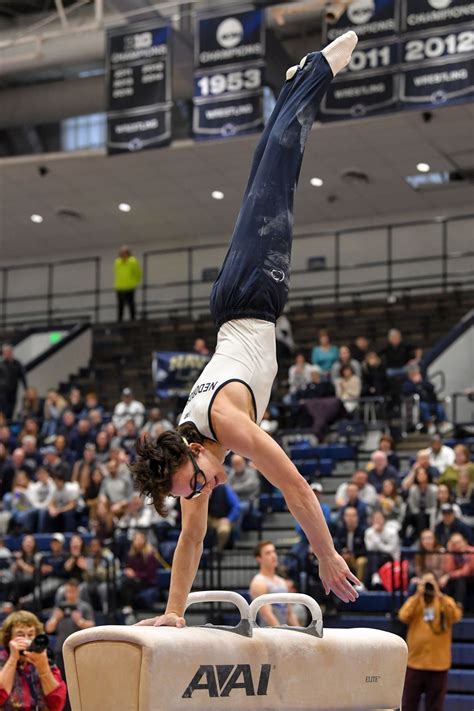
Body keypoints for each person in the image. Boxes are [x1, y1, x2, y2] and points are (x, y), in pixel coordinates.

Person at [132, 32, 361, 629]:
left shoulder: (224, 427)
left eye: (191, 485)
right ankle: (290, 86)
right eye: (189, 491)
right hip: (236, 302)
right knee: (265, 173)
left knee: (280, 171)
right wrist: (174, 612)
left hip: (254, 294)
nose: (196, 492)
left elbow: (296, 489)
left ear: (188, 454)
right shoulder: (197, 453)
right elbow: (190, 543)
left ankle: (315, 72)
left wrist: (327, 554)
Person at [399, 572, 462, 711]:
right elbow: (403, 615)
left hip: (438, 665)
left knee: (435, 707)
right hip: (415, 663)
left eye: (431, 583)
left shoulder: (444, 602)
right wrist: (417, 595)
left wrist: (438, 594)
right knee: (408, 704)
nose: (428, 586)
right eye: (425, 583)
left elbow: (456, 615)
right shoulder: (415, 601)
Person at [0, 609, 67, 710]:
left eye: (31, 635)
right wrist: (12, 659)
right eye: (20, 635)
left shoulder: (45, 659)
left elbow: (57, 703)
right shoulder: (2, 658)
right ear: (9, 638)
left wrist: (43, 667)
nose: (27, 640)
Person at [45, 579, 94, 686]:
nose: (70, 594)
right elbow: (49, 629)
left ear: (78, 591)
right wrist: (55, 619)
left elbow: (92, 626)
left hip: (79, 648)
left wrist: (80, 621)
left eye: (73, 591)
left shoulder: (84, 607)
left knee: (80, 681)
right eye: (68, 591)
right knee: (61, 681)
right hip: (60, 648)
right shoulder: (59, 607)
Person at [250, 541, 299, 627]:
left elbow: (289, 613)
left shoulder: (281, 581)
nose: (273, 556)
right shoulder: (258, 582)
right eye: (268, 553)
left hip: (281, 632)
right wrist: (280, 635)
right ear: (259, 559)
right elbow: (267, 615)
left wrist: (301, 633)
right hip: (267, 634)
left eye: (274, 552)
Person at [402, 365, 450, 435]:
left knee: (439, 407)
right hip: (418, 405)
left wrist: (421, 382)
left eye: (417, 373)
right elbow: (406, 391)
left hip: (431, 402)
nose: (416, 375)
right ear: (410, 375)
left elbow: (432, 387)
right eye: (414, 374)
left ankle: (443, 424)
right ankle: (429, 424)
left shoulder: (424, 382)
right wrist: (414, 383)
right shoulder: (408, 384)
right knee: (424, 406)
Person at [439, 532, 474, 609]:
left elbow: (466, 572)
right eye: (454, 543)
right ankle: (448, 609)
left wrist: (448, 576)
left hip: (471, 580)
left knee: (460, 580)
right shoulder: (451, 553)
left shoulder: (471, 551)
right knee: (452, 582)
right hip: (456, 581)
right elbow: (448, 569)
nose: (458, 544)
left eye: (459, 542)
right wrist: (449, 551)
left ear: (464, 541)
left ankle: (458, 606)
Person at [114, 245, 142, 322]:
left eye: (125, 252)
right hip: (120, 287)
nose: (123, 254)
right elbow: (116, 273)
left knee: (131, 304)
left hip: (130, 286)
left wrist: (135, 282)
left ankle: (133, 319)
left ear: (128, 253)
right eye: (121, 253)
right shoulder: (117, 262)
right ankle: (119, 320)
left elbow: (138, 273)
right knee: (120, 305)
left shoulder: (133, 261)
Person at [0, 345, 27, 421]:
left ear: (11, 352)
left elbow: (23, 376)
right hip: (2, 392)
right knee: (3, 410)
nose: (6, 354)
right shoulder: (1, 364)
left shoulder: (17, 363)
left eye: (8, 352)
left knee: (11, 409)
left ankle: (9, 423)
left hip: (13, 390)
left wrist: (26, 389)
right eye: (5, 352)